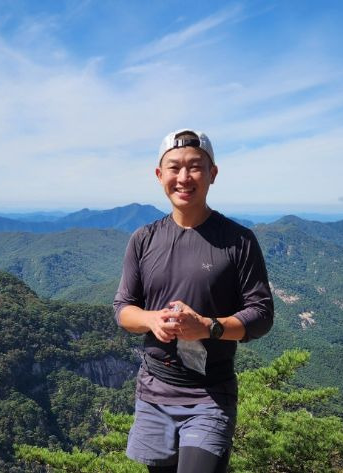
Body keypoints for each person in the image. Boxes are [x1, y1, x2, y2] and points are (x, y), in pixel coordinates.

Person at [113, 129, 274, 472]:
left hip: (209, 392)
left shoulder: (238, 241)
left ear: (213, 174)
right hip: (154, 389)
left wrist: (207, 327)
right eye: (174, 168)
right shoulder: (143, 239)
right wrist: (152, 319)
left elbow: (261, 315)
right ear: (160, 175)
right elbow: (123, 309)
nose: (184, 177)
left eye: (195, 167)